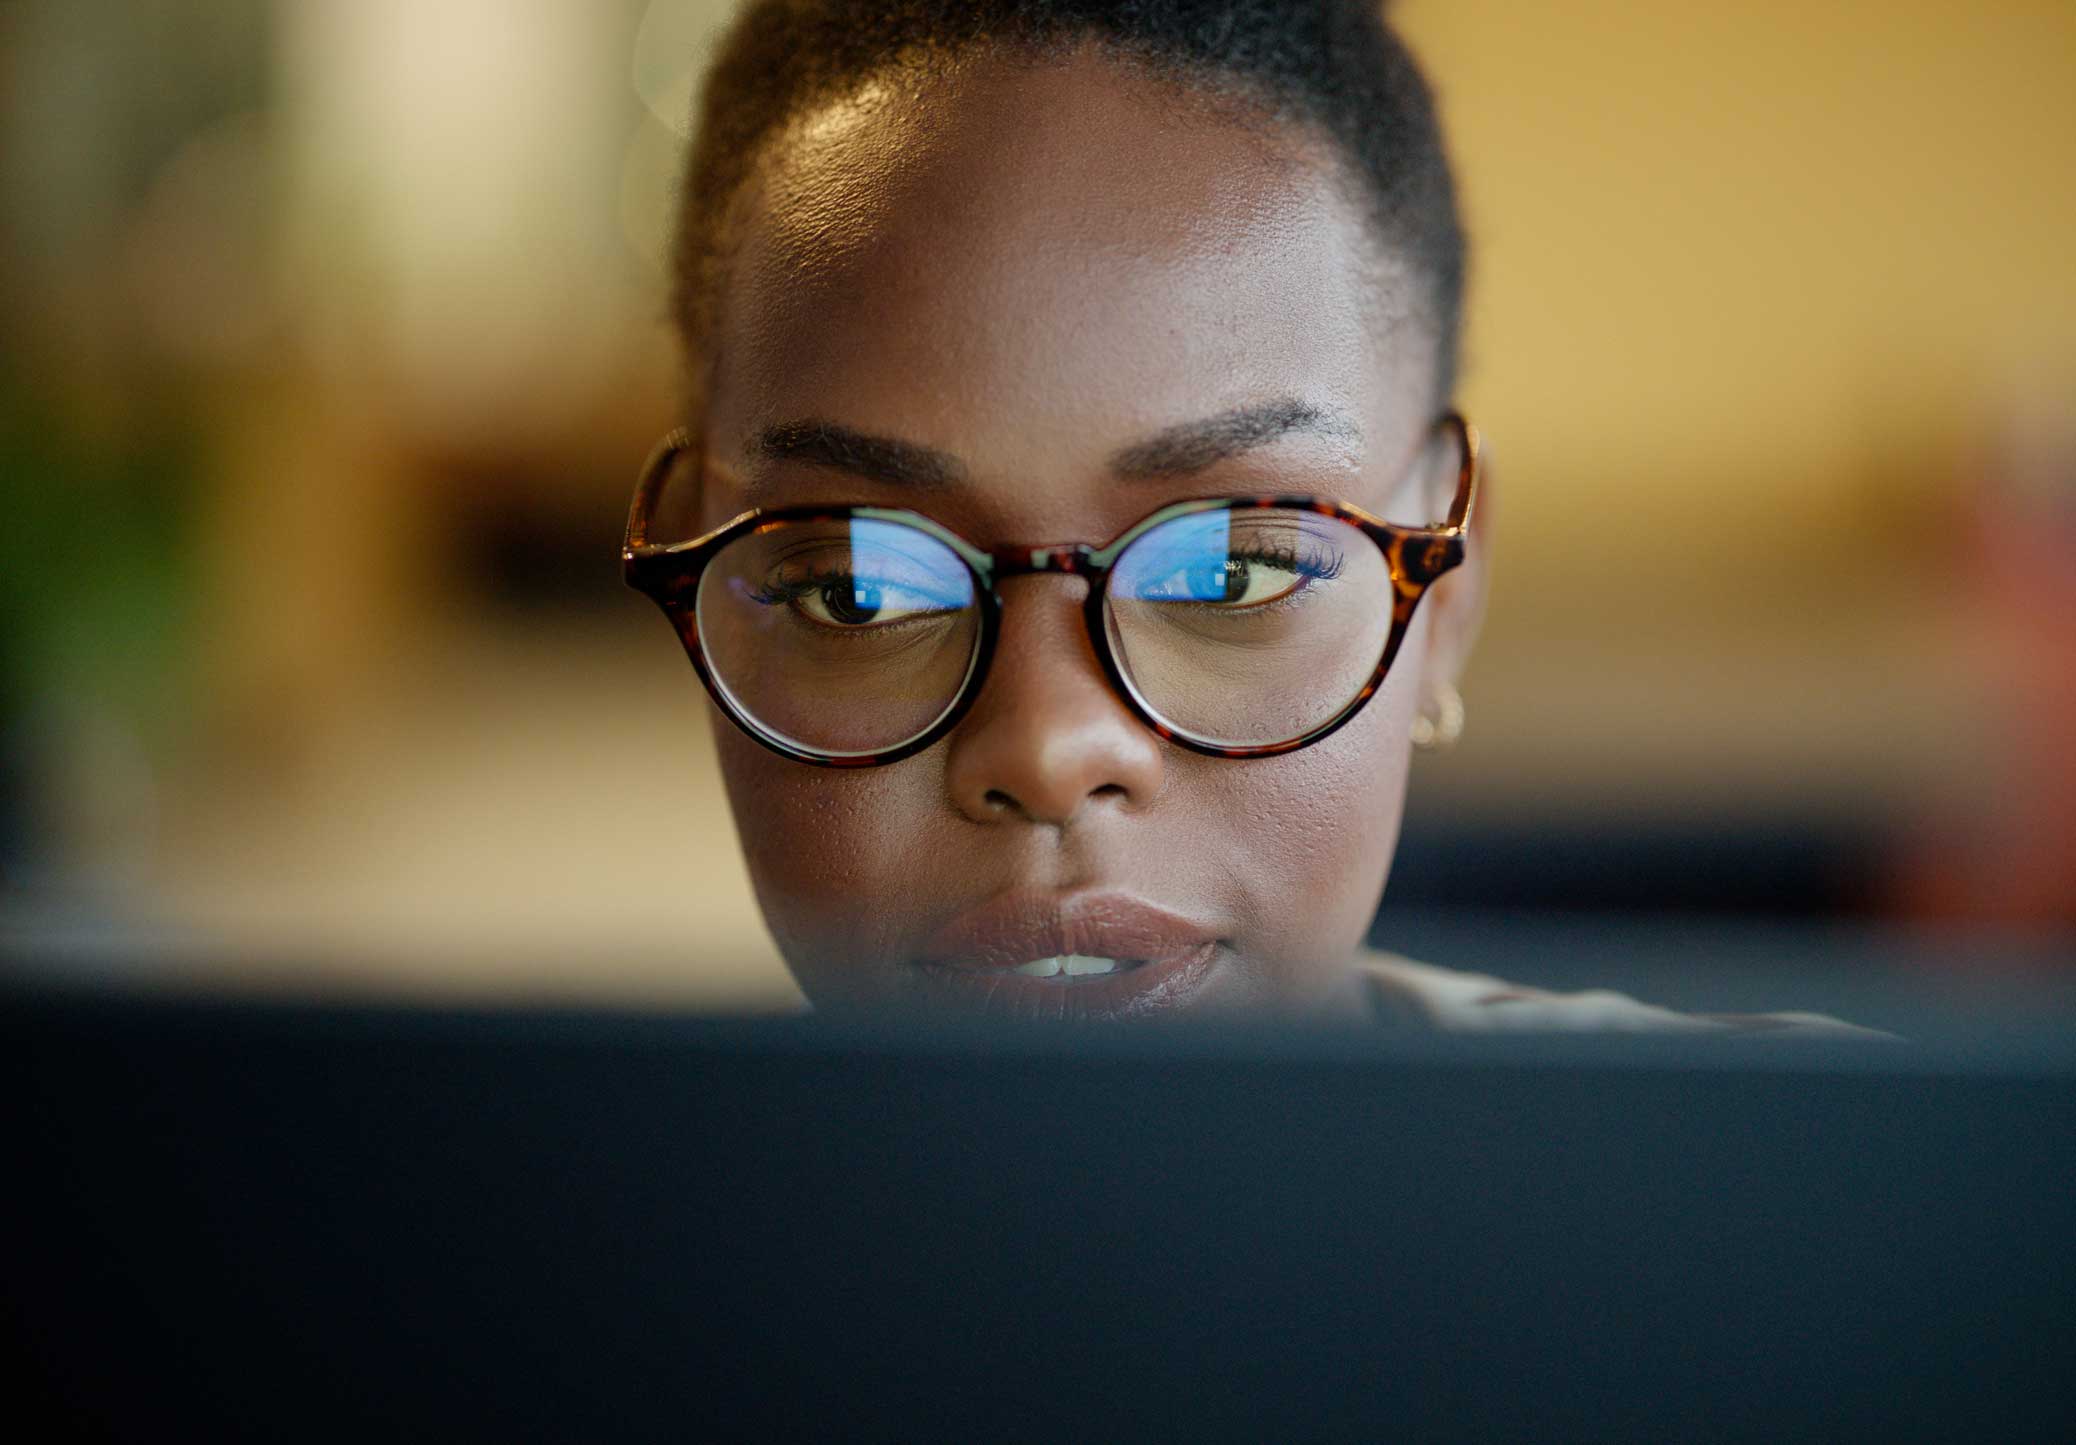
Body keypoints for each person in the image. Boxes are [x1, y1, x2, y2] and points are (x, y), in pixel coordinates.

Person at [622, 0, 1874, 1034]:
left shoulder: (1846, 1199)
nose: (1051, 749)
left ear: (1448, 586)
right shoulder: (519, 1237)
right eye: (860, 590)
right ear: (689, 578)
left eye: (1231, 573)